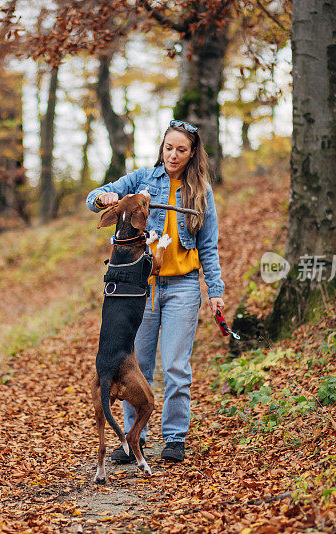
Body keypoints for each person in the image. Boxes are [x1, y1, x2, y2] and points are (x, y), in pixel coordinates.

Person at [86, 120, 225, 463]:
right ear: (161, 148)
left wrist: (215, 290)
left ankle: (175, 438)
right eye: (168, 148)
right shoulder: (141, 179)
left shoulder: (200, 193)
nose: (173, 155)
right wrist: (104, 196)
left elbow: (208, 247)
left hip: (184, 287)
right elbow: (93, 199)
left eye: (181, 149)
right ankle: (134, 441)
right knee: (138, 365)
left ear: (193, 154)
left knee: (177, 367)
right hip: (141, 288)